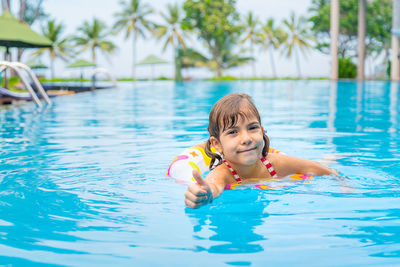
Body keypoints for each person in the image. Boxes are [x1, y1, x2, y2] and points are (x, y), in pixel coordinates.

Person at [184, 93, 340, 208]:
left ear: (262, 131)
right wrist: (205, 193)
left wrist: (343, 184)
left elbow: (326, 171)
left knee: (323, 161)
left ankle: (331, 156)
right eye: (233, 132)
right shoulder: (223, 174)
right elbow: (213, 185)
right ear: (216, 144)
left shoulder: (276, 163)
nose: (246, 138)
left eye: (252, 128)